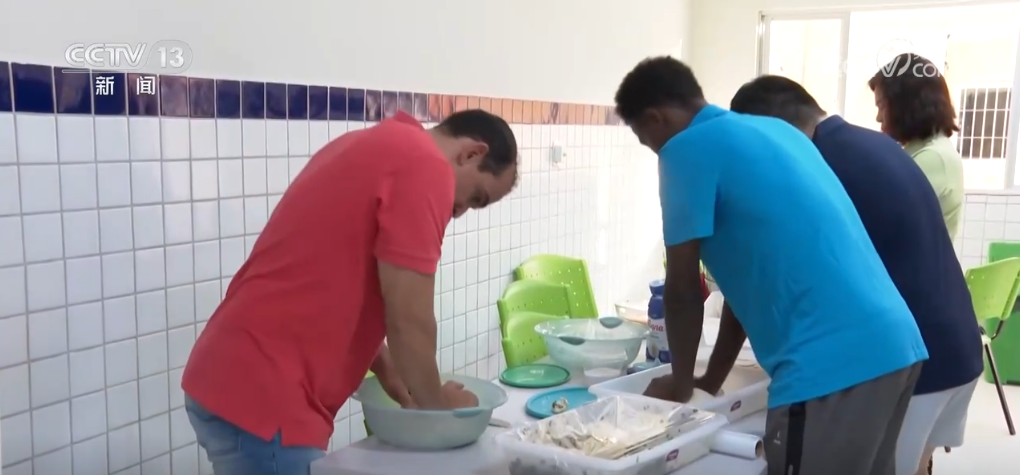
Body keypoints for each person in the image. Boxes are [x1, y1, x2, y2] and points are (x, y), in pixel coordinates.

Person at [614, 56, 928, 475]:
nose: (654, 149)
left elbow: (684, 288)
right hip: (895, 348)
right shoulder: (781, 132)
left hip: (828, 369)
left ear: (656, 118)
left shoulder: (684, 150)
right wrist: (709, 381)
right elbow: (745, 290)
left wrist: (681, 383)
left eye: (645, 139)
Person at [181, 109, 518, 475]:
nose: (461, 211)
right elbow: (409, 317)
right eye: (476, 197)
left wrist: (387, 368)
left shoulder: (370, 144)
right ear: (471, 153)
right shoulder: (425, 167)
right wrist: (439, 408)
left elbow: (332, 277)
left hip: (230, 376)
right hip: (265, 398)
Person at [730, 75, 984, 475]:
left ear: (775, 129)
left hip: (916, 357)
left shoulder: (818, 165)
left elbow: (782, 265)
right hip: (957, 344)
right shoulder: (876, 146)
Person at [869, 53, 965, 240]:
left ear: (905, 105)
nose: (878, 118)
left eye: (881, 106)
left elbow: (882, 218)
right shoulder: (926, 151)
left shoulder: (933, 158)